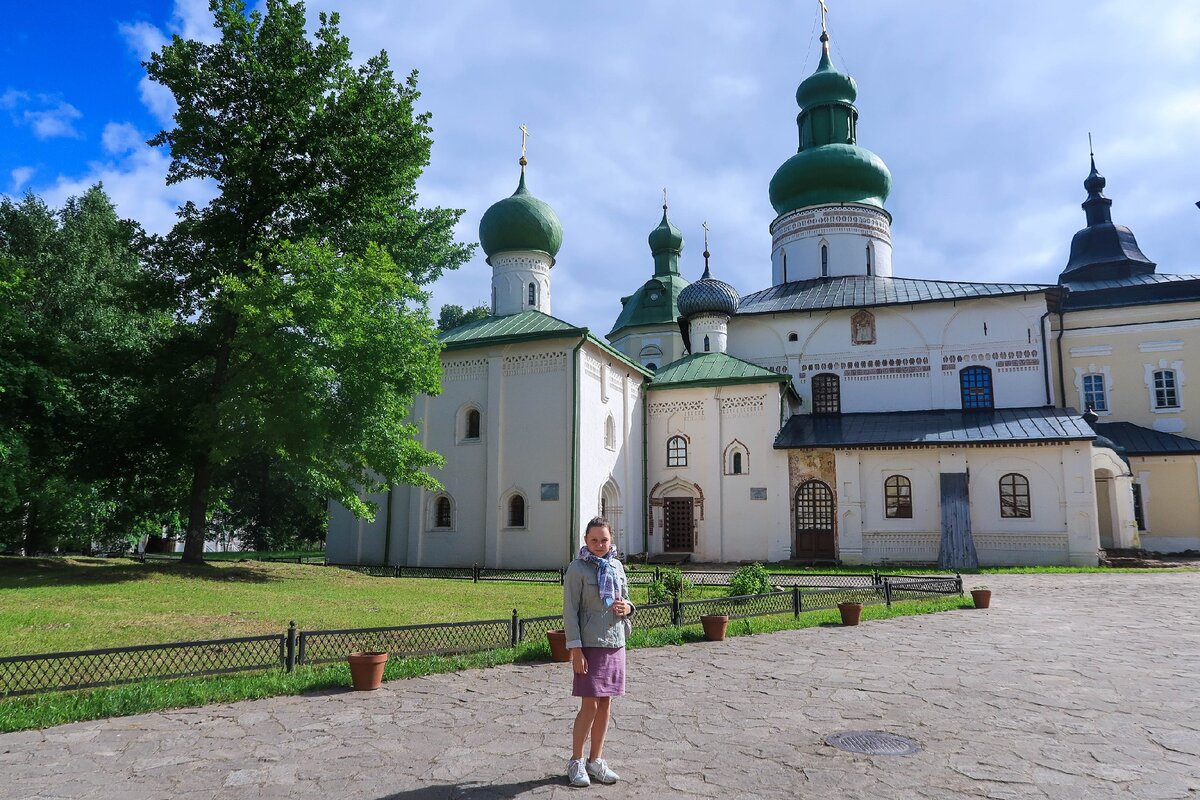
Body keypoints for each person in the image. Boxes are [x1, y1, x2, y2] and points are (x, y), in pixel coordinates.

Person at [562, 517, 635, 788]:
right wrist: (575, 649)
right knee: (590, 704)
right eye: (594, 540)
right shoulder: (577, 569)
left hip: (615, 642)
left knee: (606, 704)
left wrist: (628, 608)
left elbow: (627, 598)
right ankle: (576, 761)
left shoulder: (616, 566)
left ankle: (596, 760)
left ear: (611, 539)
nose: (599, 545)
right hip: (590, 645)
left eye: (604, 539)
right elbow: (570, 612)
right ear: (585, 540)